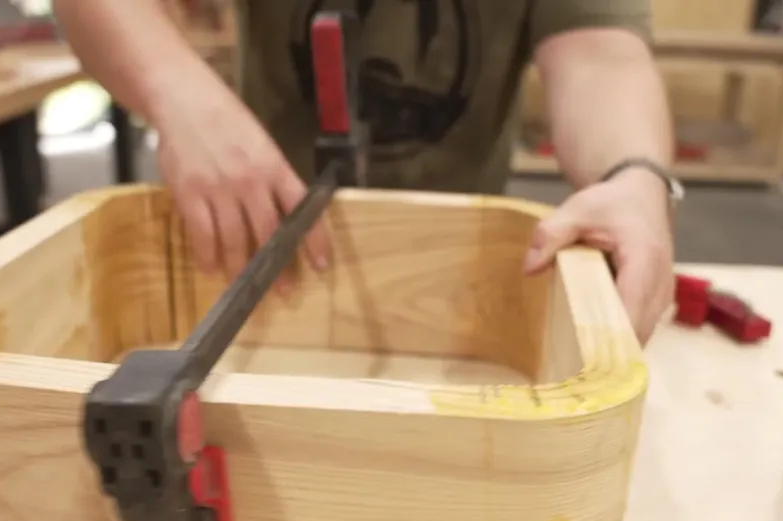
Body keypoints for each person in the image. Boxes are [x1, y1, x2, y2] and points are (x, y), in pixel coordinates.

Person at [55, 0, 676, 345]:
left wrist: (632, 178)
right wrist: (182, 98)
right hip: (264, 247)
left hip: (460, 265)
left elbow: (600, 55)